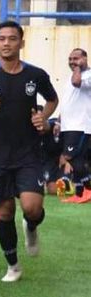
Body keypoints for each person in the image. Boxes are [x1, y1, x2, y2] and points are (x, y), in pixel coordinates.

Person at [0, 20, 58, 282]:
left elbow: (52, 99)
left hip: (28, 154)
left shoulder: (35, 75)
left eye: (12, 39)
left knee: (32, 208)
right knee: (4, 212)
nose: (6, 43)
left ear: (21, 43)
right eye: (2, 39)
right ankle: (13, 265)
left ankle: (31, 226)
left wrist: (44, 118)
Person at [56, 48, 91, 202]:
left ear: (85, 58)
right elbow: (68, 102)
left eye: (76, 59)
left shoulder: (86, 75)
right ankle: (78, 194)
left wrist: (77, 68)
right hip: (68, 126)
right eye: (70, 59)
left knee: (73, 159)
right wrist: (59, 121)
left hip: (81, 125)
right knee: (72, 160)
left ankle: (88, 190)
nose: (72, 62)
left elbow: (77, 83)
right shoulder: (71, 77)